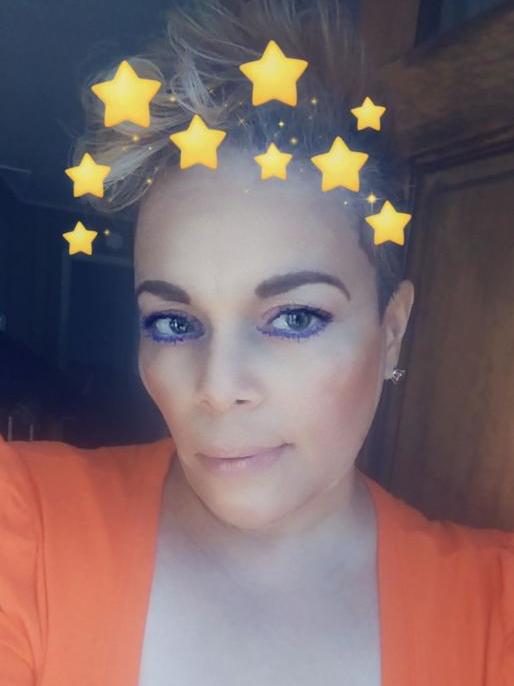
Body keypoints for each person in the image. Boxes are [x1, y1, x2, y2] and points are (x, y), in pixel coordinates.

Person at [1, 1, 512, 685]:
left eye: (295, 318)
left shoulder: (495, 612)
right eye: (174, 323)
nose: (218, 387)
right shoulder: (23, 525)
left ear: (391, 333)